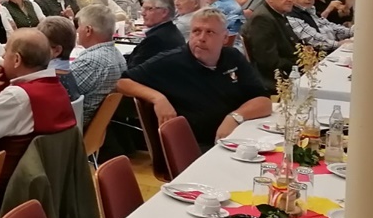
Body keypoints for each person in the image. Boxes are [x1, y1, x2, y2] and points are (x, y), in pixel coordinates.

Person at [116, 8, 273, 148]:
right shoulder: (170, 62)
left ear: (225, 38)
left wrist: (234, 118)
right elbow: (122, 82)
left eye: (210, 32)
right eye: (196, 31)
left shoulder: (232, 57)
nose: (201, 38)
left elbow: (264, 101)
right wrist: (158, 98)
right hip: (197, 147)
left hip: (237, 137)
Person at [71, 4, 127, 125]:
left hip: (77, 125)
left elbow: (60, 94)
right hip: (98, 124)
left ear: (88, 30)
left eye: (78, 26)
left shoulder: (90, 62)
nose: (77, 31)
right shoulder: (117, 54)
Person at [242, 0, 300, 92]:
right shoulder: (262, 19)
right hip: (276, 79)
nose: (290, 0)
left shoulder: (277, 14)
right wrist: (298, 65)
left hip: (290, 71)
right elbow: (268, 61)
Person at [287, 0, 354, 52]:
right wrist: (338, 44)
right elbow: (312, 38)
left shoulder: (311, 10)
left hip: (331, 49)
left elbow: (331, 27)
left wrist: (352, 31)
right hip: (318, 55)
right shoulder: (292, 15)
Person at [126, 0, 186, 69]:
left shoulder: (156, 39)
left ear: (164, 12)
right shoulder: (170, 31)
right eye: (143, 8)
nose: (143, 13)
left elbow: (133, 70)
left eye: (149, 9)